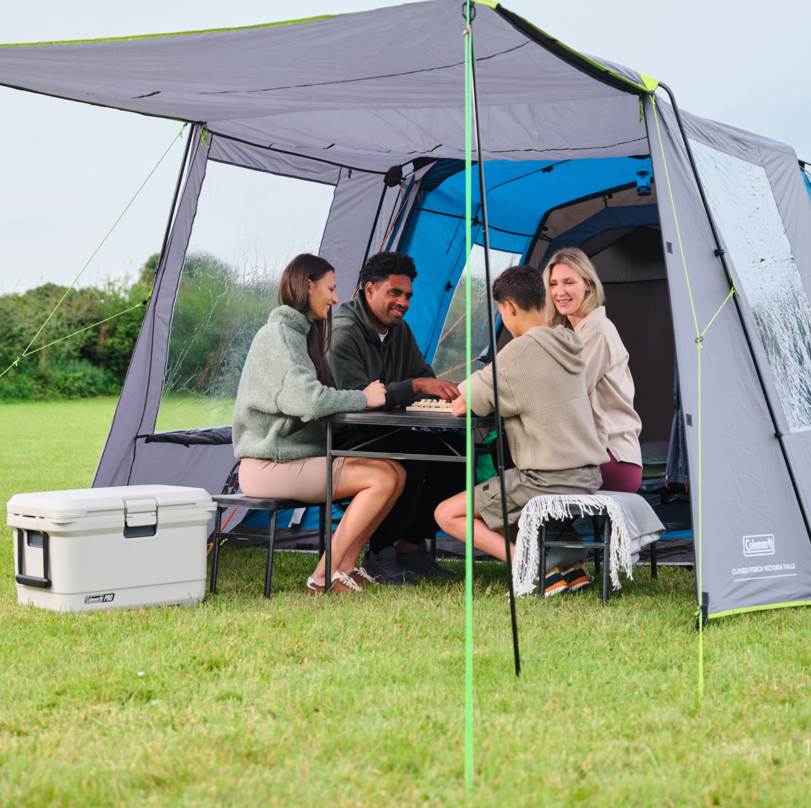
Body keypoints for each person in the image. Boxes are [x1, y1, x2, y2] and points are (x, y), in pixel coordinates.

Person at [232, 253, 406, 594]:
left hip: (290, 458)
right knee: (382, 476)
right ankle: (323, 577)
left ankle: (344, 567)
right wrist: (364, 398)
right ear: (307, 286)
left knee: (396, 473)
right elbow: (309, 400)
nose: (335, 298)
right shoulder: (279, 336)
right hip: (270, 464)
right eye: (330, 288)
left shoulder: (300, 334)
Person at [433, 265, 607, 596]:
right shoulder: (568, 340)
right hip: (585, 475)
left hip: (544, 479)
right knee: (503, 496)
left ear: (508, 307)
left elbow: (462, 405)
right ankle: (569, 567)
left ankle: (528, 565)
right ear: (543, 301)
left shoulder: (518, 351)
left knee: (447, 513)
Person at [328, 251, 463, 585]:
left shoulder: (400, 331)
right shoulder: (343, 332)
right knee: (412, 452)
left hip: (389, 430)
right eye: (395, 293)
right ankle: (379, 555)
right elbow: (355, 400)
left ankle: (409, 547)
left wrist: (448, 391)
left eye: (407, 296)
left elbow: (426, 382)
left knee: (457, 453)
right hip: (343, 435)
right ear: (369, 289)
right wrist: (412, 387)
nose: (403, 302)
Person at [543, 247, 644, 494]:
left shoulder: (596, 330)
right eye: (554, 284)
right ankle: (551, 534)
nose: (560, 292)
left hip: (611, 459)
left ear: (588, 285)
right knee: (508, 452)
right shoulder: (570, 332)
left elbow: (567, 391)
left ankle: (531, 532)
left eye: (569, 282)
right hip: (588, 454)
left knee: (513, 460)